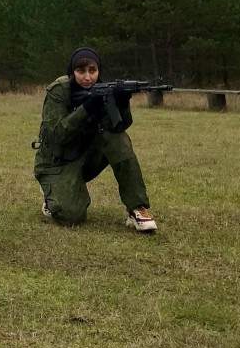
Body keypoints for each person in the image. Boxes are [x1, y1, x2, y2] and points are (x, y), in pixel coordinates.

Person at [33, 47, 157, 232]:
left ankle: (137, 208)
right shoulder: (59, 91)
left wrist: (122, 103)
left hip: (85, 157)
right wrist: (88, 107)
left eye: (92, 70)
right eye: (80, 71)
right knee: (71, 216)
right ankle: (52, 196)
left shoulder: (103, 89)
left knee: (117, 138)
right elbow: (58, 134)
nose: (87, 77)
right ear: (71, 72)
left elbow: (116, 127)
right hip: (56, 164)